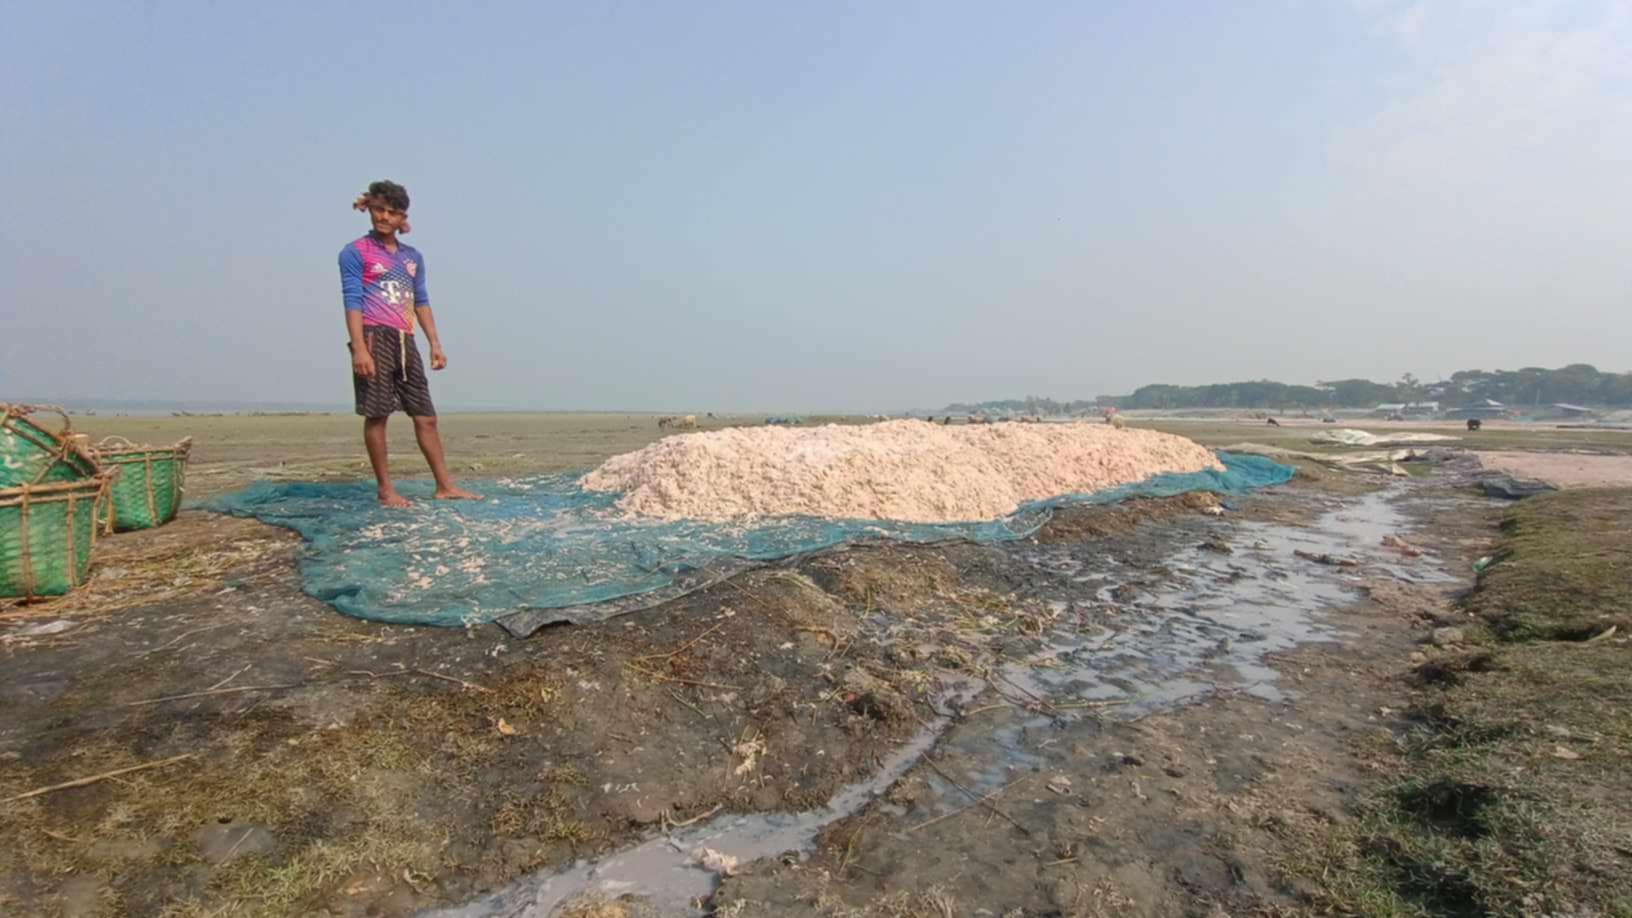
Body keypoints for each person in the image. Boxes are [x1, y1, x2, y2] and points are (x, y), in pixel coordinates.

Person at [339, 180, 478, 507]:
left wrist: (435, 343)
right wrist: (359, 347)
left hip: (406, 337)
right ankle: (386, 489)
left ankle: (445, 485)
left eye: (392, 213)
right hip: (374, 334)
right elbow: (352, 300)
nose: (384, 217)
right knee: (377, 414)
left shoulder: (412, 258)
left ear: (403, 218)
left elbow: (421, 300)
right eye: (379, 210)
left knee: (425, 415)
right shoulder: (355, 252)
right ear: (370, 209)